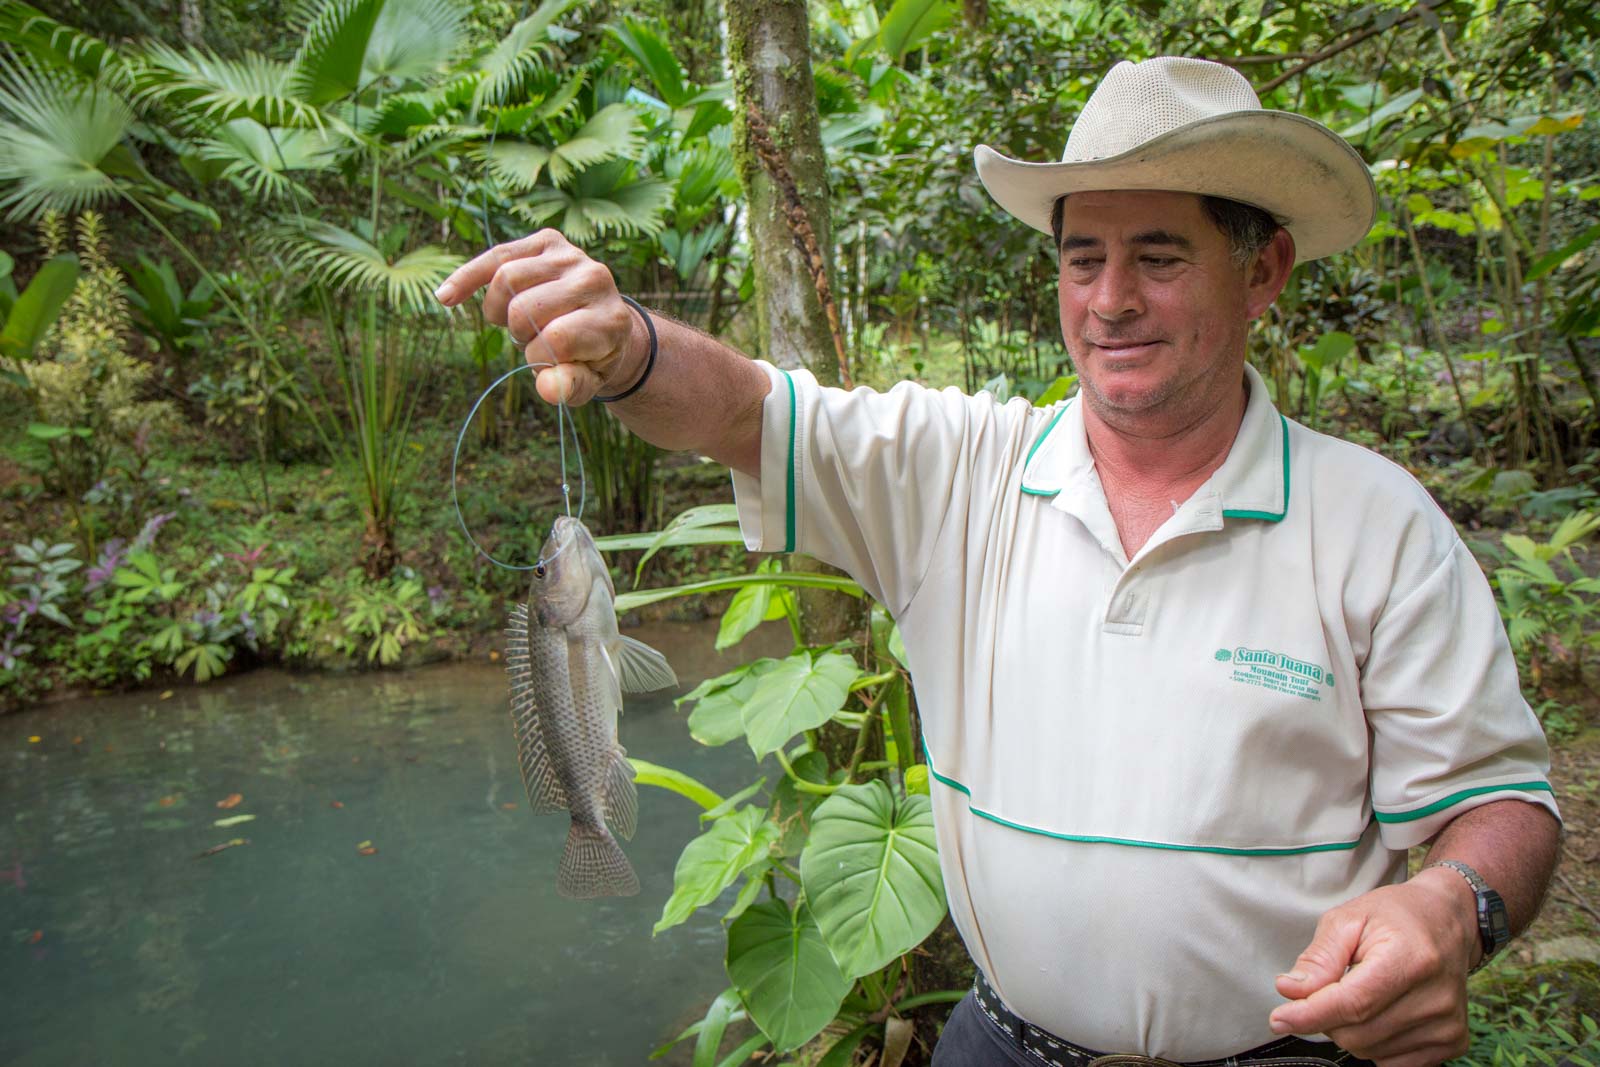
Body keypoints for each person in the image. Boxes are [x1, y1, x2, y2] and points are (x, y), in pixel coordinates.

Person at [435, 56, 1560, 1067]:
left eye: (1158, 256)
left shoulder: (1377, 522)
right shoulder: (958, 471)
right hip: (1003, 1045)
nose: (1110, 299)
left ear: (1260, 269)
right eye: (1084, 259)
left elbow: (1503, 802)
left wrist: (1452, 907)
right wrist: (629, 344)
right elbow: (742, 409)